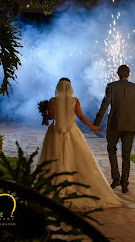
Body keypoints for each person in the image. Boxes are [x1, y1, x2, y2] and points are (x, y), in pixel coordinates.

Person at [36, 77, 122, 210]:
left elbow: (51, 117)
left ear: (58, 87)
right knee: (76, 157)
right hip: (72, 132)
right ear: (70, 87)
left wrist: (44, 114)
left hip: (55, 133)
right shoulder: (75, 101)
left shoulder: (53, 101)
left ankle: (55, 182)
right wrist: (92, 126)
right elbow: (80, 116)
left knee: (54, 157)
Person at [94, 65, 135, 193]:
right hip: (131, 126)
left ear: (118, 73)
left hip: (114, 125)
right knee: (126, 155)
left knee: (111, 150)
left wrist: (97, 122)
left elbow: (104, 105)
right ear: (129, 73)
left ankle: (116, 177)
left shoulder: (111, 86)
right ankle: (125, 184)